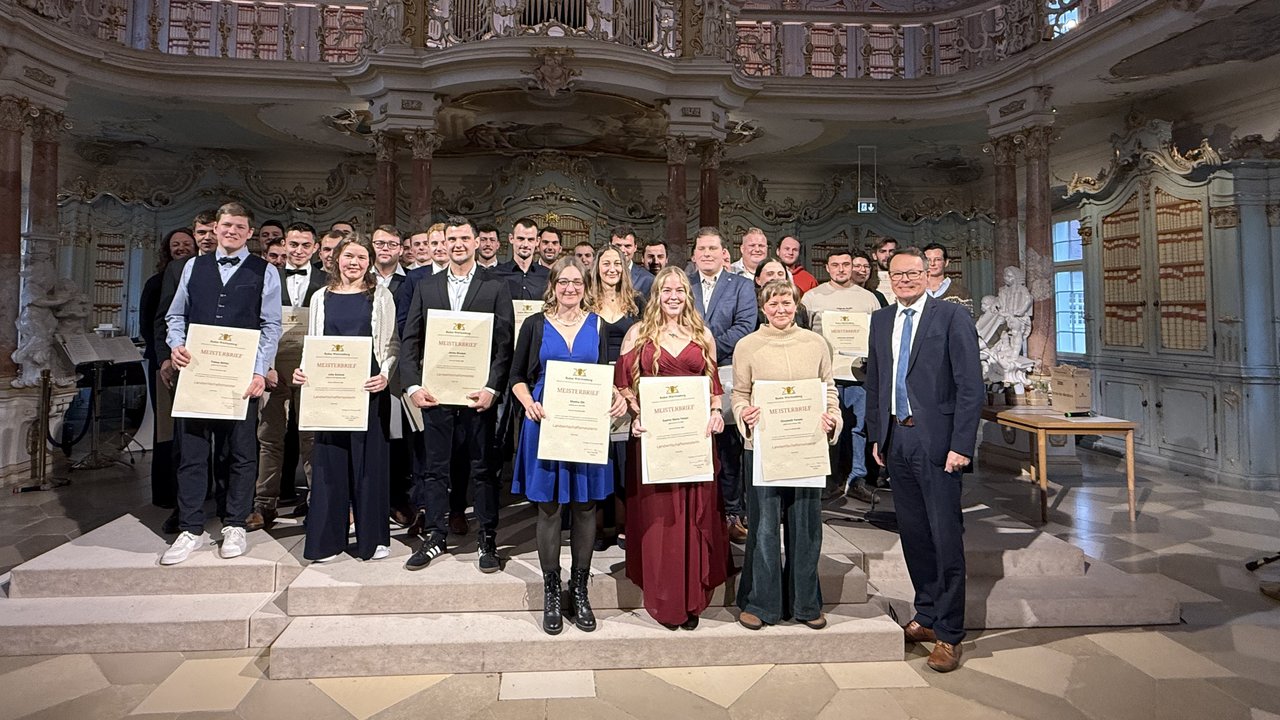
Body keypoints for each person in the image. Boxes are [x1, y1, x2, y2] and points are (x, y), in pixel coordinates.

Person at [865, 247, 983, 673]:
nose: (906, 280)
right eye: (898, 275)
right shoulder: (881, 320)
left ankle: (950, 633)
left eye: (914, 273)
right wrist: (877, 435)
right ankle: (928, 614)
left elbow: (971, 386)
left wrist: (962, 445)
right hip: (897, 441)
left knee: (945, 537)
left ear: (929, 274)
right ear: (888, 278)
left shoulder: (951, 317)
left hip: (939, 444)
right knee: (914, 536)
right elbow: (878, 381)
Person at [510, 257, 628, 634]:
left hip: (586, 424)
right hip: (545, 423)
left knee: (585, 507)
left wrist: (616, 397)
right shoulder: (534, 324)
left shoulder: (598, 324)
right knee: (549, 509)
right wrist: (527, 401)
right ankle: (551, 589)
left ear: (585, 286)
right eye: (563, 282)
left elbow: (607, 376)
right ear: (553, 285)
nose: (570, 289)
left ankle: (579, 588)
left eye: (577, 282)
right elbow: (516, 376)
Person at [161, 202, 282, 565]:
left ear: (249, 232)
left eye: (239, 226)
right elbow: (175, 314)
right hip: (197, 375)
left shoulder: (266, 271)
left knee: (241, 454)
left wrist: (260, 371)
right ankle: (191, 528)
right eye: (226, 225)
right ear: (215, 229)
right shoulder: (191, 268)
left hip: (240, 377)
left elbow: (271, 325)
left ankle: (235, 525)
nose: (231, 231)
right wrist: (176, 345)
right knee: (193, 453)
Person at [615, 266, 729, 629]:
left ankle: (692, 595)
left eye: (679, 291)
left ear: (688, 295)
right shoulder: (637, 333)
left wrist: (715, 415)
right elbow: (622, 387)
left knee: (693, 516)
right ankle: (664, 597)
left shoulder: (703, 335)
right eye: (666, 291)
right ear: (656, 296)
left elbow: (713, 389)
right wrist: (634, 415)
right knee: (660, 519)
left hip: (694, 442)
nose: (673, 297)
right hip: (654, 441)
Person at [399, 215, 515, 572]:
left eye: (465, 238)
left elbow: (503, 345)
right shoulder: (426, 286)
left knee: (483, 470)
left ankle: (487, 537)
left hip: (477, 398)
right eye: (452, 239)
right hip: (435, 395)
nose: (459, 244)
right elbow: (411, 340)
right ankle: (435, 535)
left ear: (477, 241)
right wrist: (413, 386)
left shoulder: (495, 287)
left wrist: (493, 388)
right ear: (443, 243)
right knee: (435, 470)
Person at [732, 279, 840, 630]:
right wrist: (743, 415)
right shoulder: (747, 346)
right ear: (763, 308)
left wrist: (832, 420)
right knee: (763, 528)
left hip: (808, 447)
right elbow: (739, 395)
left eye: (787, 303)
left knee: (807, 527)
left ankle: (806, 604)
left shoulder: (816, 344)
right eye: (773, 304)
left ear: (797, 306)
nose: (781, 310)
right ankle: (761, 603)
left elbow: (829, 390)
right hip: (762, 447)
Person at [292, 233, 398, 562]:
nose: (354, 263)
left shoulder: (380, 295)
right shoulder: (321, 297)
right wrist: (303, 370)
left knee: (369, 465)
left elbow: (391, 343)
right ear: (336, 258)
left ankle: (373, 539)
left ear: (370, 262)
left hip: (368, 387)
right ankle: (326, 540)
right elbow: (314, 342)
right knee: (329, 462)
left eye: (361, 258)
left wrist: (385, 376)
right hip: (329, 390)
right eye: (348, 256)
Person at [250, 221, 325, 531]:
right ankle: (264, 504)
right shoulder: (267, 277)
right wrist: (262, 366)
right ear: (284, 244)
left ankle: (317, 501)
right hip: (272, 370)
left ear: (316, 248)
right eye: (293, 244)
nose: (298, 250)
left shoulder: (325, 280)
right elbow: (255, 324)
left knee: (311, 438)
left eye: (305, 245)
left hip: (310, 371)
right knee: (269, 437)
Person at [688, 227, 757, 544]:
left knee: (729, 448)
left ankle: (732, 513)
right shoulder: (682, 285)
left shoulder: (741, 286)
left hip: (727, 374)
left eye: (712, 248)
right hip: (686, 376)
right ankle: (697, 514)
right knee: (694, 444)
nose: (706, 254)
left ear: (723, 252)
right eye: (701, 249)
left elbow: (745, 326)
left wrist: (705, 346)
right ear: (694, 254)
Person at [802, 250, 882, 502]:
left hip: (859, 375)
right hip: (825, 376)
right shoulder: (812, 297)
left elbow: (878, 337)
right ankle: (829, 480)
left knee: (859, 429)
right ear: (827, 268)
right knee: (827, 428)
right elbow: (803, 335)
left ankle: (857, 479)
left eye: (845, 264)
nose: (841, 269)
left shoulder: (869, 299)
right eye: (835, 265)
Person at [588, 245, 645, 551]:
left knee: (625, 457)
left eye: (617, 264)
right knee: (599, 456)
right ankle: (598, 526)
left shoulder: (637, 302)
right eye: (606, 263)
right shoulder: (586, 301)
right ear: (596, 268)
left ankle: (624, 524)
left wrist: (630, 389)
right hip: (595, 386)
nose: (612, 268)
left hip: (628, 386)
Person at [139, 228, 196, 510]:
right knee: (166, 430)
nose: (181, 247)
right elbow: (152, 324)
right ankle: (165, 493)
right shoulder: (156, 282)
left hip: (191, 361)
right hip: (164, 362)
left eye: (187, 243)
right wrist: (164, 358)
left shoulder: (198, 275)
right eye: (176, 244)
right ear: (167, 249)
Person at [752, 257, 810, 329]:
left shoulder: (799, 308)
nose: (776, 278)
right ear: (758, 280)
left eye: (780, 274)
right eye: (770, 274)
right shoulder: (749, 306)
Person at [923, 243, 973, 315]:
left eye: (937, 259)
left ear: (946, 262)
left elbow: (965, 324)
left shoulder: (961, 293)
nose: (932, 263)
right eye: (928, 260)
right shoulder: (914, 292)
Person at [609, 225, 654, 296]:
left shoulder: (647, 279)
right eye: (618, 246)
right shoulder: (599, 274)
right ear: (610, 246)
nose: (622, 250)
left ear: (635, 247)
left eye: (627, 246)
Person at [870, 236, 898, 304]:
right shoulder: (868, 279)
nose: (887, 255)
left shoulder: (904, 277)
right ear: (874, 256)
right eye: (883, 251)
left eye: (891, 251)